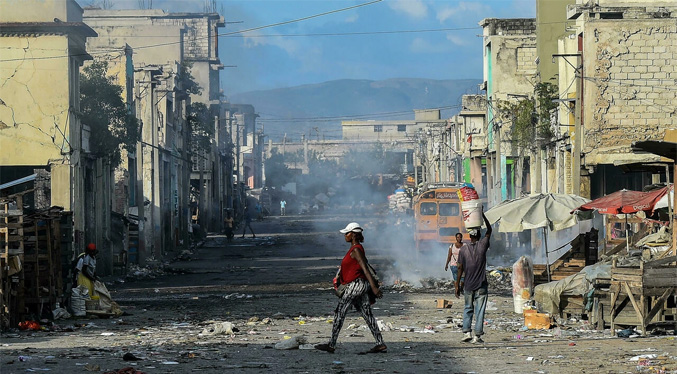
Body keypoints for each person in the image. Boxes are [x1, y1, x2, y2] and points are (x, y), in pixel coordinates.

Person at [315, 222, 386, 354]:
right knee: (367, 314)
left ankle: (331, 344)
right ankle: (380, 343)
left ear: (353, 235)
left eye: (347, 233)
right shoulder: (356, 249)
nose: (345, 236)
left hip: (356, 285)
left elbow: (365, 269)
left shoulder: (356, 250)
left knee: (340, 313)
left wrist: (374, 288)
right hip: (360, 286)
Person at [455, 212, 492, 344]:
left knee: (468, 308)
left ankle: (466, 332)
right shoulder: (483, 246)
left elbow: (460, 268)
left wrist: (457, 285)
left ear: (469, 236)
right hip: (481, 284)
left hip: (468, 285)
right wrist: (482, 215)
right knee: (480, 311)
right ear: (480, 236)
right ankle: (477, 336)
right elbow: (490, 230)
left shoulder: (463, 250)